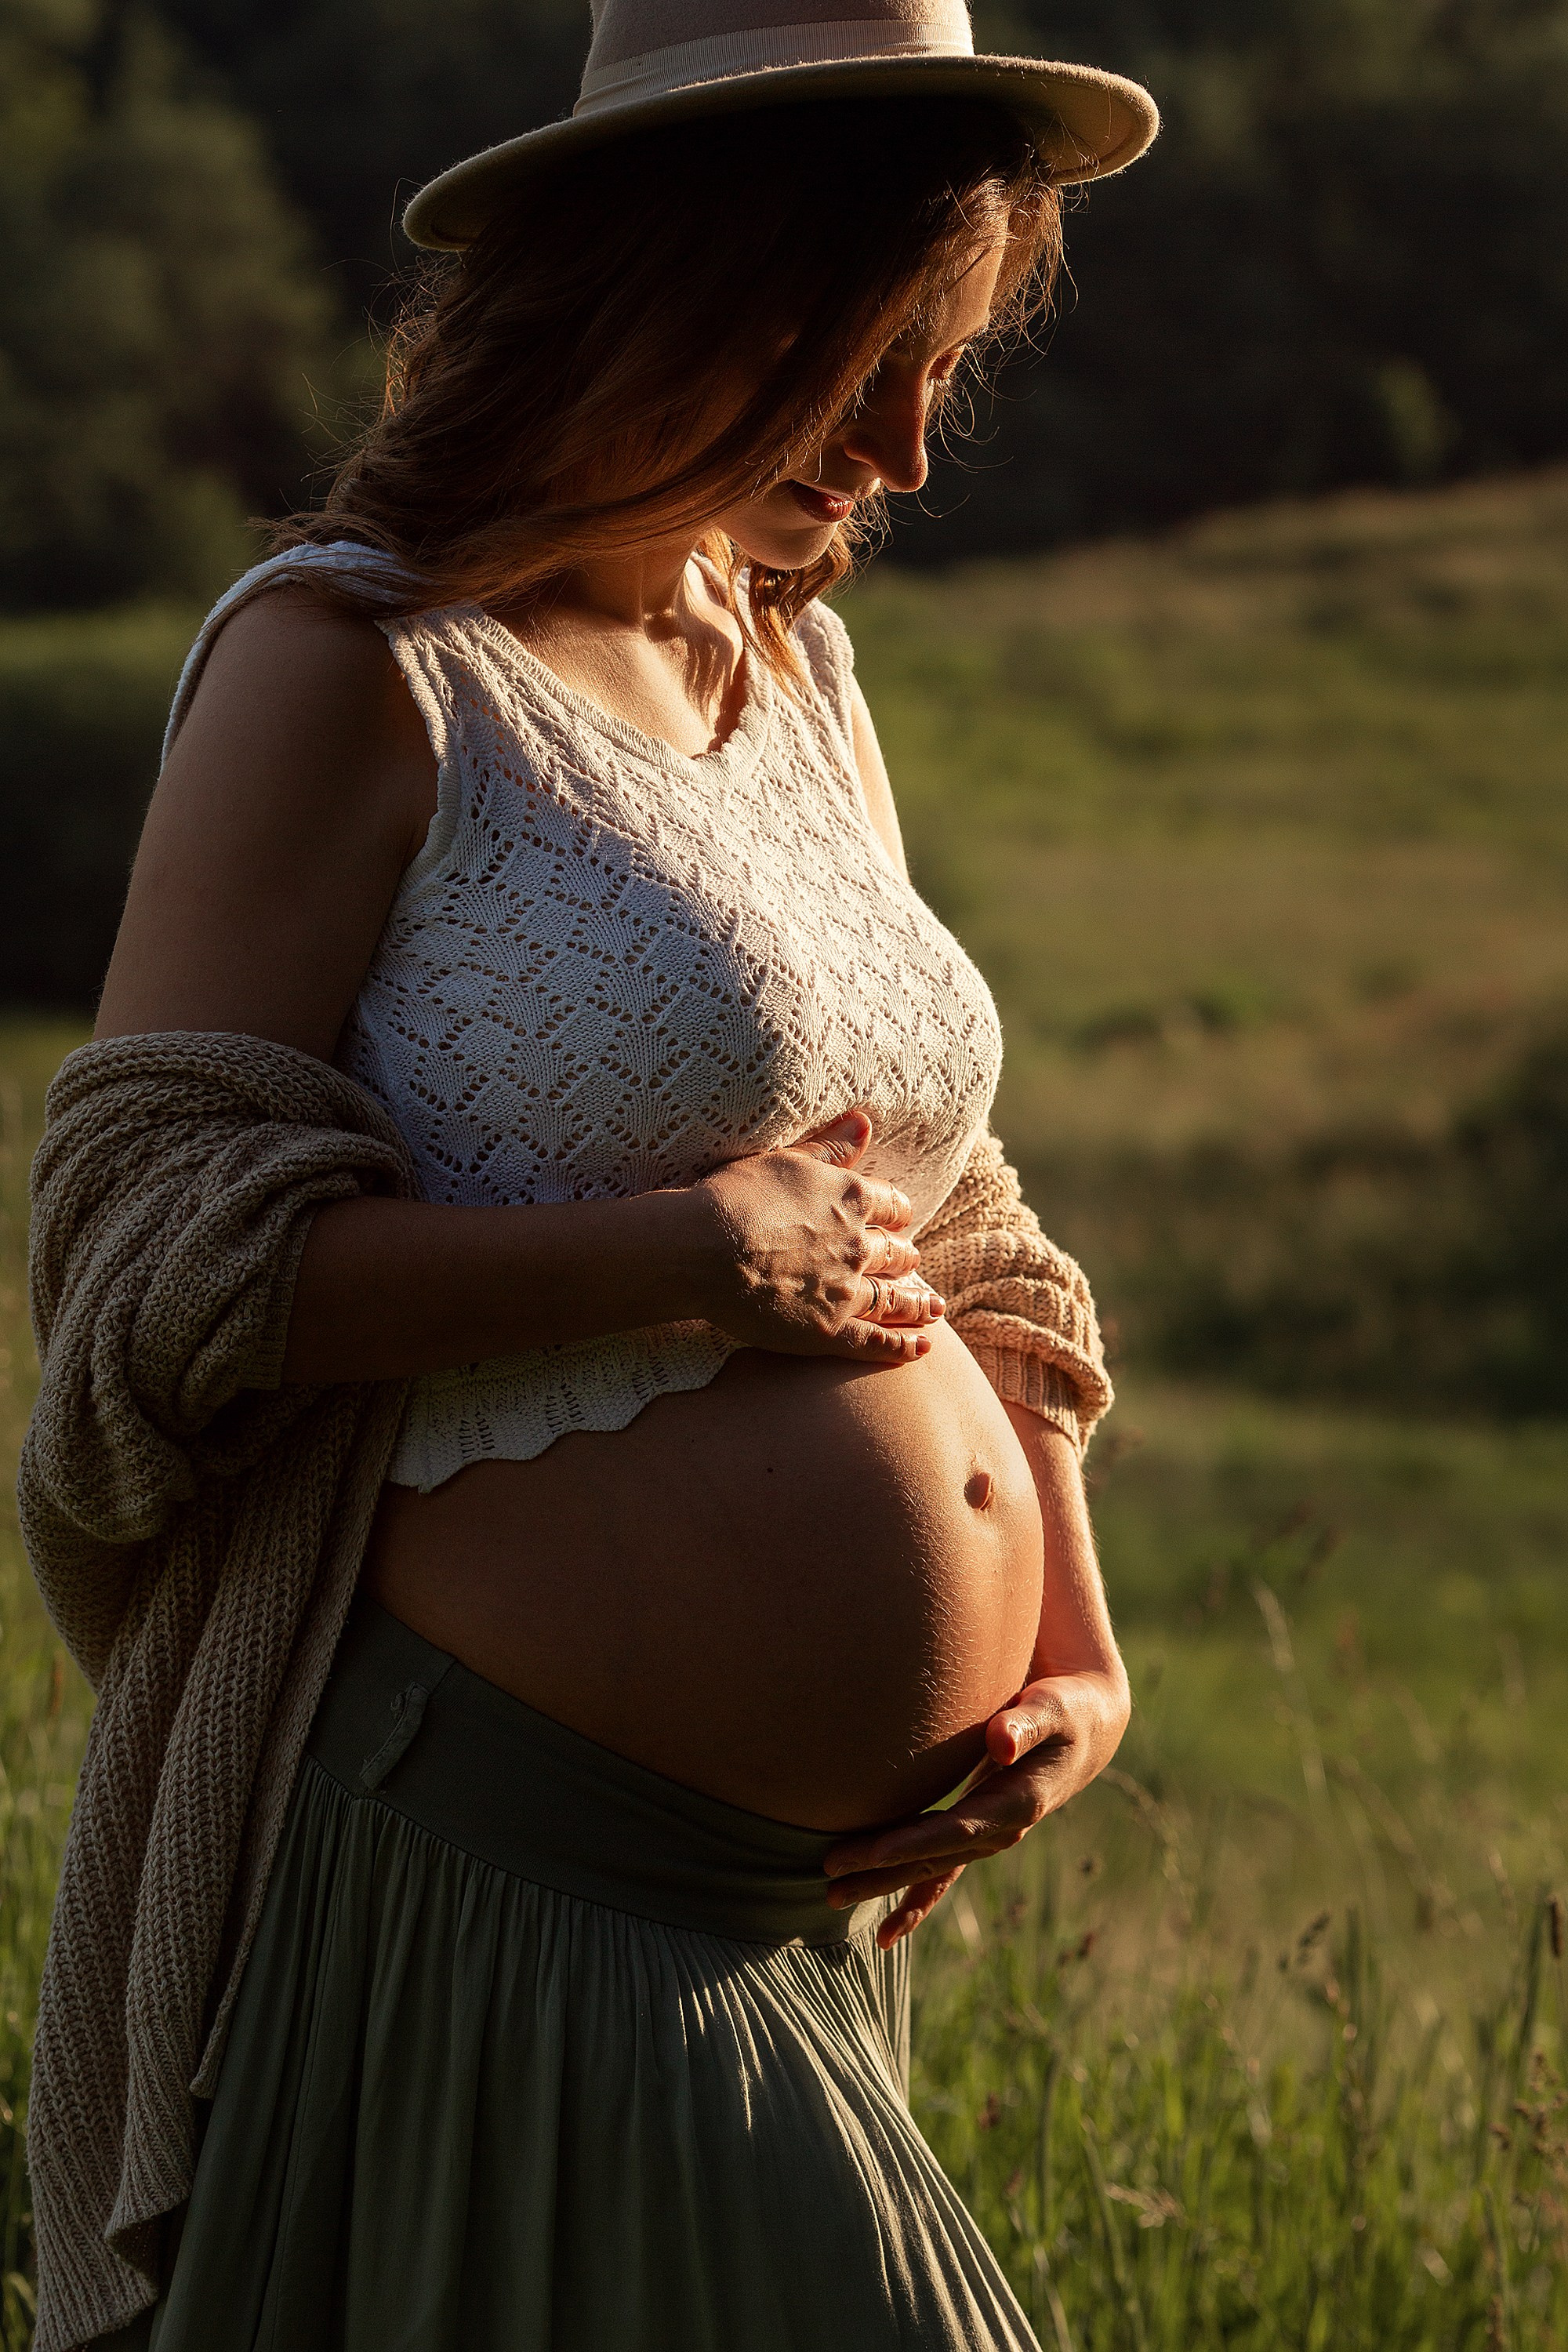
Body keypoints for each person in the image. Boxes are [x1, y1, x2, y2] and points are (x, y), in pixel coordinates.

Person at [21, 5, 1159, 2347]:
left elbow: (960, 1215)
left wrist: (1073, 1632)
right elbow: (140, 1266)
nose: (912, 446)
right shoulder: (358, 666)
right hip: (494, 1879)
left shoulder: (798, 675)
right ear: (675, 286)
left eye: (941, 364)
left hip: (770, 1916)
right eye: (861, 355)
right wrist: (671, 1257)